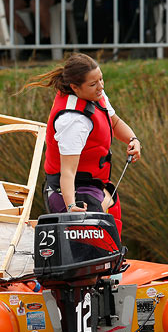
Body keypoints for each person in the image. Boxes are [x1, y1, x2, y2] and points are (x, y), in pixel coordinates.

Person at [24, 53, 141, 234]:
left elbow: (115, 122)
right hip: (67, 190)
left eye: (101, 79)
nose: (100, 86)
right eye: (93, 84)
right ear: (75, 88)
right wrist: (71, 206)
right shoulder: (74, 121)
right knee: (95, 231)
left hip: (91, 183)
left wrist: (132, 139)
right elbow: (68, 172)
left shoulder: (96, 95)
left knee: (113, 212)